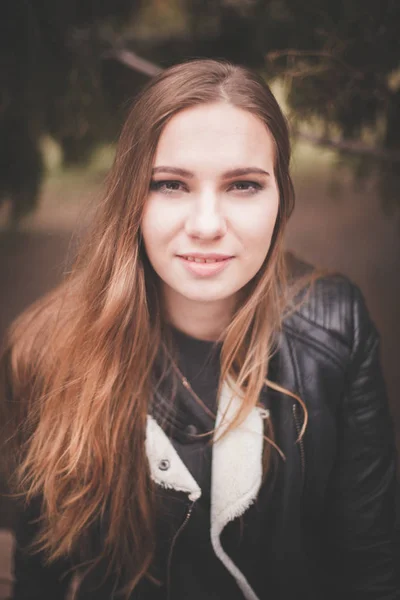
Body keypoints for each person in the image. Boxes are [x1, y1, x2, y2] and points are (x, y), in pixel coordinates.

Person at [0, 59, 398, 600]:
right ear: (130, 201)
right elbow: (39, 569)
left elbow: (370, 566)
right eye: (170, 184)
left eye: (242, 185)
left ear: (281, 199)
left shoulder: (336, 328)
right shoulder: (44, 350)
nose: (207, 225)